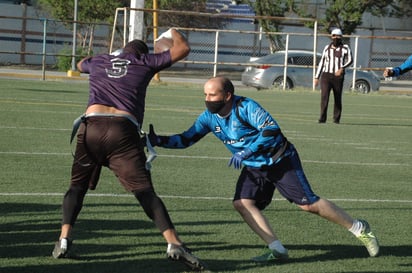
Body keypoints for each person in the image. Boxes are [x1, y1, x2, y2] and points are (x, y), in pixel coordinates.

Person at [147, 76, 380, 263]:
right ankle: (277, 249)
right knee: (242, 203)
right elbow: (187, 139)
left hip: (280, 160)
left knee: (308, 204)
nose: (207, 99)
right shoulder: (209, 117)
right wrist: (158, 140)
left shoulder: (246, 106)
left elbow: (271, 130)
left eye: (212, 94)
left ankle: (360, 228)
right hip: (254, 168)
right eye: (205, 94)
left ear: (227, 95)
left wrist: (247, 151)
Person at [51, 28, 206, 271]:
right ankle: (173, 243)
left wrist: (108, 57)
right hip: (122, 131)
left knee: (76, 187)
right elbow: (183, 49)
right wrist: (173, 31)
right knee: (145, 193)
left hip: (90, 127)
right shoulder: (145, 62)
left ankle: (63, 239)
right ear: (142, 53)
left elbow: (81, 64)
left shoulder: (101, 60)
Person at [314, 28, 353, 124]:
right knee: (324, 96)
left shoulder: (345, 48)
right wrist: (316, 77)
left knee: (337, 97)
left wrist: (342, 68)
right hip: (326, 75)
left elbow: (350, 60)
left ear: (341, 37)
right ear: (331, 37)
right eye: (334, 36)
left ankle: (336, 118)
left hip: (338, 76)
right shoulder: (327, 48)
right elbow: (322, 62)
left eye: (338, 36)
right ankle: (322, 118)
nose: (336, 38)